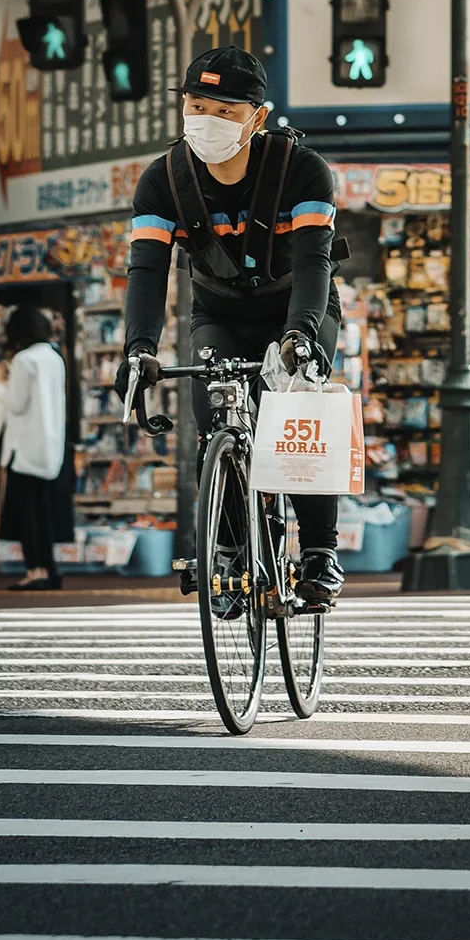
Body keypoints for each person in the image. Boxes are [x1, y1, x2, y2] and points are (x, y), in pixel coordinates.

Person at [122, 46, 345, 609]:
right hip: (218, 314)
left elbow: (315, 263)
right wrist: (139, 350)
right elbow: (146, 272)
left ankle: (320, 552)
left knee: (300, 415)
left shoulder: (302, 169)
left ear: (257, 117)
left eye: (225, 111)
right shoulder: (163, 180)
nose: (207, 120)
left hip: (298, 305)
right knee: (213, 416)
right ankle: (228, 552)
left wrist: (302, 338)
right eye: (197, 105)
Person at [0, 303, 70, 591]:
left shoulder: (24, 359)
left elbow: (16, 403)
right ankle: (50, 568)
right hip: (50, 445)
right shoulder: (53, 357)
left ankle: (35, 569)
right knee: (44, 513)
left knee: (26, 513)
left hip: (23, 449)